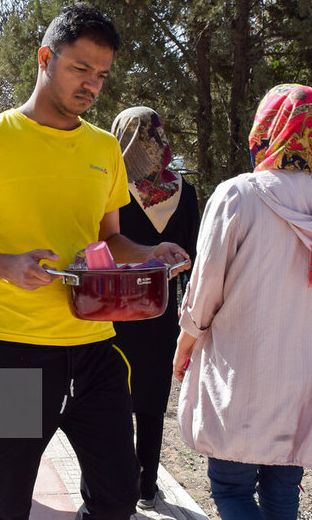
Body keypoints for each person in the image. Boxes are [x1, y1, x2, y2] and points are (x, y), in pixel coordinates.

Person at [0, 4, 190, 519]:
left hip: (96, 350)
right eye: (80, 69)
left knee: (117, 498)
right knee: (7, 505)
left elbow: (110, 242)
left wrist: (149, 253)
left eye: (102, 75)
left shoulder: (104, 149)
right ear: (45, 58)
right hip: (15, 354)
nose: (92, 85)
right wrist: (5, 265)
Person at [172, 84, 312, 519]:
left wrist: (185, 343)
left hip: (242, 379)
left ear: (266, 130)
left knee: (231, 489)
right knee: (284, 492)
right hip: (309, 383)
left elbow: (205, 288)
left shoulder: (238, 195)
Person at [110, 107, 200, 509]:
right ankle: (147, 486)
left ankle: (118, 484)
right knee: (151, 400)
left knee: (112, 398)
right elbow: (193, 257)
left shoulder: (109, 188)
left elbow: (98, 244)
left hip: (111, 308)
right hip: (161, 311)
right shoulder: (186, 191)